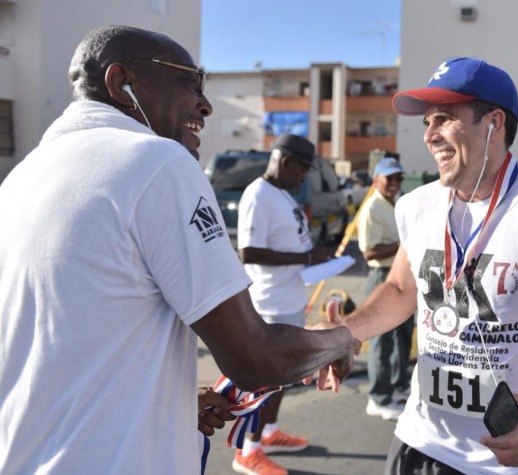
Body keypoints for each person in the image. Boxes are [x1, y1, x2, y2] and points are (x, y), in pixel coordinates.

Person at [0, 26, 357, 475]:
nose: (205, 104)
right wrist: (341, 341)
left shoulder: (21, 178)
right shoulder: (158, 162)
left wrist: (169, 397)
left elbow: (57, 345)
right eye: (190, 81)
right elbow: (254, 358)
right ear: (120, 83)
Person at [321, 57, 518, 473]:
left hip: (509, 458)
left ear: (494, 123)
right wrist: (344, 334)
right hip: (418, 443)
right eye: (426, 123)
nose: (430, 135)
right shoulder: (416, 206)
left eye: (445, 118)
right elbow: (402, 291)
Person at [234, 133, 335, 475]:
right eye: (302, 170)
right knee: (267, 380)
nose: (303, 178)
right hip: (269, 303)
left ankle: (270, 433)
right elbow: (248, 252)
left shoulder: (280, 194)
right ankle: (248, 452)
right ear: (286, 161)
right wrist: (306, 256)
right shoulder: (258, 194)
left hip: (288, 297)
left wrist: (314, 259)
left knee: (282, 379)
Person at [357, 157, 415, 421]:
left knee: (403, 336)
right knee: (382, 339)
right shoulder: (372, 208)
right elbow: (369, 252)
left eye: (398, 178)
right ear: (376, 180)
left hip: (403, 275)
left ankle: (398, 385)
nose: (394, 183)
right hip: (383, 275)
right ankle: (378, 397)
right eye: (389, 178)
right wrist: (404, 243)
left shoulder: (398, 202)